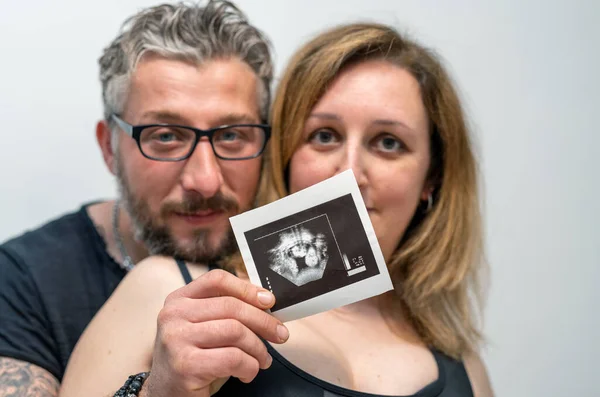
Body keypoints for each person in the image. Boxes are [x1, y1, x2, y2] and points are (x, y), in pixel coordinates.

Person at [59, 22, 495, 397]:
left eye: (388, 143)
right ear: (285, 154)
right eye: (324, 135)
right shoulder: (170, 293)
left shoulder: (460, 361)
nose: (349, 171)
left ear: (431, 178)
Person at [0, 1, 274, 395]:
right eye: (165, 136)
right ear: (109, 148)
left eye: (231, 136)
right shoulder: (23, 282)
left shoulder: (295, 255)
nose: (205, 181)